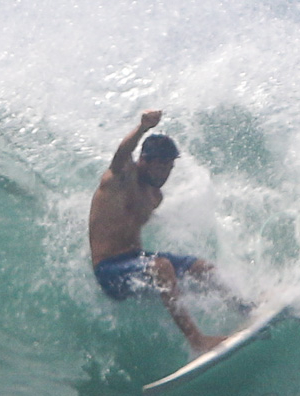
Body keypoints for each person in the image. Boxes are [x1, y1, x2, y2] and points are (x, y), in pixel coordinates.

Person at [89, 109, 231, 356]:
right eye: (159, 168)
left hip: (135, 261)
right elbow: (122, 154)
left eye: (169, 168)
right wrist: (143, 127)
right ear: (143, 160)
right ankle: (197, 341)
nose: (164, 175)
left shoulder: (154, 196)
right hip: (109, 270)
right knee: (162, 267)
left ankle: (247, 307)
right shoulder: (121, 177)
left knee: (202, 268)